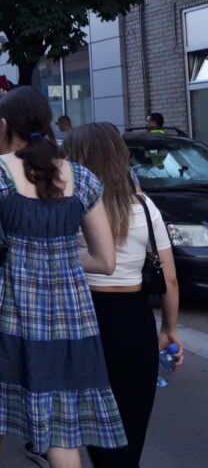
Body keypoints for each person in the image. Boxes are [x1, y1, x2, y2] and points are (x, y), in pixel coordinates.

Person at [0, 87, 125, 468]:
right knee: (63, 437)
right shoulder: (82, 178)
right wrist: (56, 252)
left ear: (2, 126)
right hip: (70, 322)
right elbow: (105, 260)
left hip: (0, 316)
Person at [64, 123, 183, 468]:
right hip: (136, 322)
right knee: (132, 431)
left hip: (86, 319)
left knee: (95, 433)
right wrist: (168, 330)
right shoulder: (145, 206)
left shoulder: (72, 206)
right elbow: (170, 280)